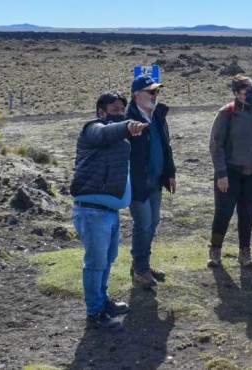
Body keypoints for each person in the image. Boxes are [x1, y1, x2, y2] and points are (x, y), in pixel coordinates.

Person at [70, 91, 148, 330]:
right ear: (101, 112)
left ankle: (103, 302)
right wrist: (126, 125)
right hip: (92, 212)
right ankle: (94, 313)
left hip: (109, 212)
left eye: (122, 111)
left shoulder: (120, 140)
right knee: (95, 263)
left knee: (106, 260)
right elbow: (105, 132)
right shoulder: (91, 129)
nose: (119, 115)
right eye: (114, 110)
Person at [207, 74, 252, 268]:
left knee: (247, 213)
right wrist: (221, 173)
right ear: (237, 94)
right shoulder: (226, 113)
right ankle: (215, 249)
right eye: (247, 90)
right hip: (231, 172)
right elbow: (216, 145)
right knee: (223, 212)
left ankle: (244, 252)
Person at [126, 75, 176, 289]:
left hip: (156, 180)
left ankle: (142, 263)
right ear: (137, 95)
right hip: (138, 183)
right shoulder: (126, 119)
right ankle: (140, 269)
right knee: (143, 225)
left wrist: (170, 172)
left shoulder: (157, 117)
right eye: (151, 92)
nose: (156, 95)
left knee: (153, 223)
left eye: (157, 92)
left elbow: (166, 146)